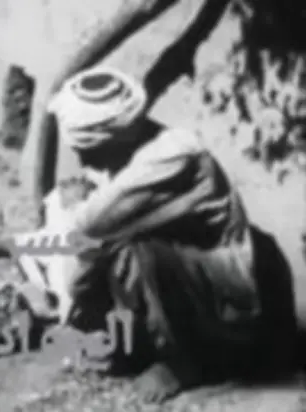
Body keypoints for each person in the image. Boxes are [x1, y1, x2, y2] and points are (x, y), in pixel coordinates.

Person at [36, 66, 295, 402]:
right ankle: (131, 337)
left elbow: (90, 228)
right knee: (89, 232)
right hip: (187, 276)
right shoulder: (131, 146)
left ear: (110, 139)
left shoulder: (168, 160)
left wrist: (76, 310)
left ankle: (188, 361)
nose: (80, 158)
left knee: (131, 251)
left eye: (85, 148)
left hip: (226, 295)